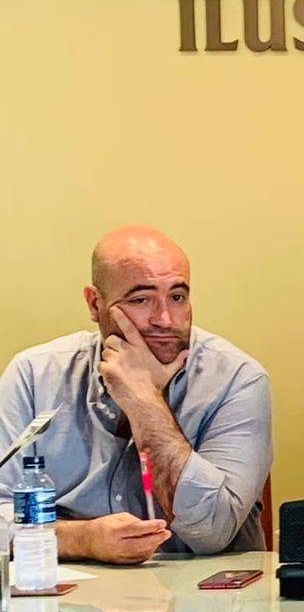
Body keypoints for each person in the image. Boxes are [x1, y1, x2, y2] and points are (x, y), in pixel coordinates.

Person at [0, 226, 273, 562]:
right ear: (95, 303)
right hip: (66, 602)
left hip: (204, 603)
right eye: (141, 300)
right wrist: (83, 539)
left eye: (177, 297)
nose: (165, 319)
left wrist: (144, 401)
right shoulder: (34, 375)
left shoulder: (237, 379)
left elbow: (213, 531)